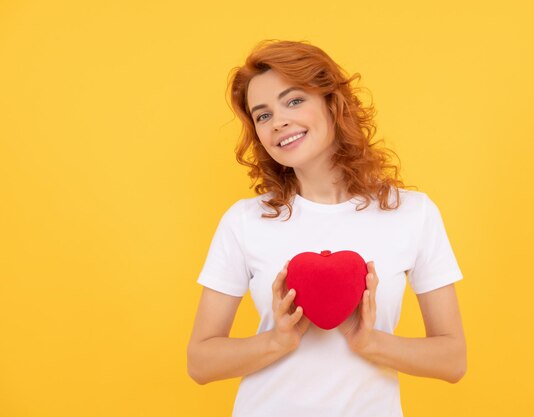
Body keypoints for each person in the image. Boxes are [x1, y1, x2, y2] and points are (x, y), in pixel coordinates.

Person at [187, 39, 467, 417]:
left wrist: (368, 342)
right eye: (263, 115)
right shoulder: (244, 221)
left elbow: (452, 359)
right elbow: (200, 362)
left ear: (333, 104)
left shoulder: (412, 214)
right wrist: (277, 341)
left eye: (294, 100)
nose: (279, 121)